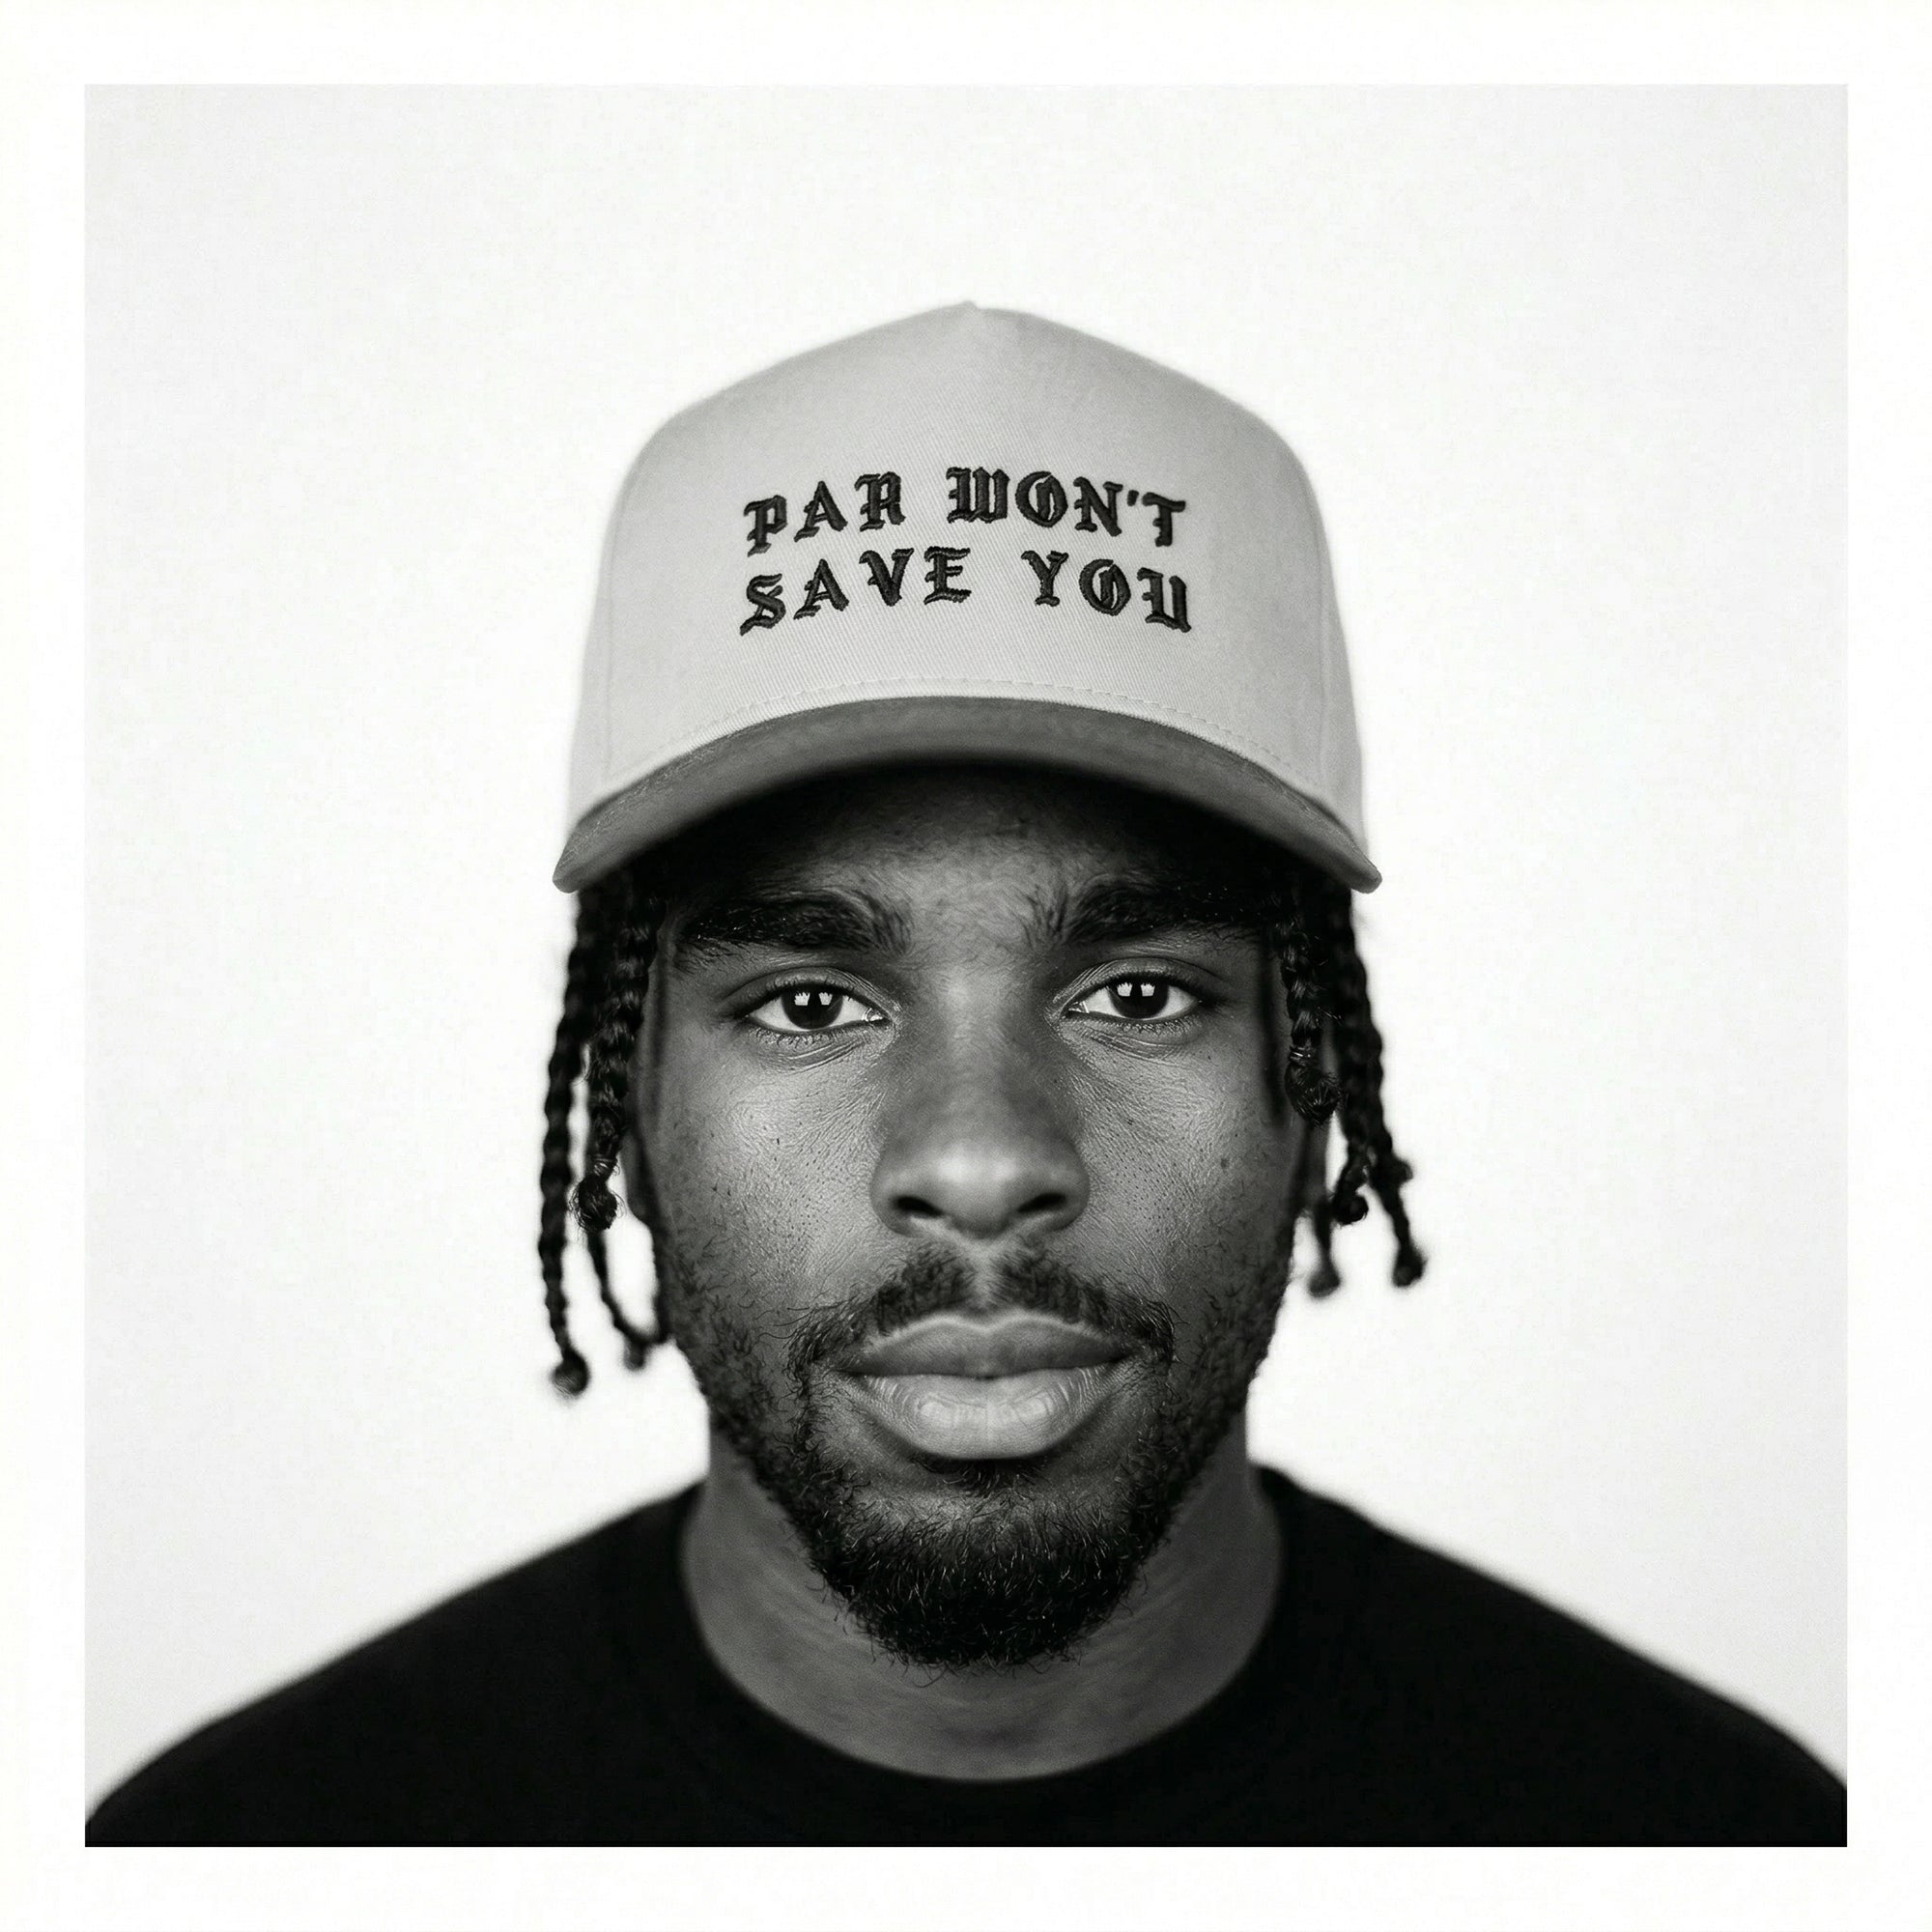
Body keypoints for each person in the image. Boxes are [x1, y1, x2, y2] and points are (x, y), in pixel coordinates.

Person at [89, 305, 1844, 1846]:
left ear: (1313, 1083)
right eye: (807, 1004)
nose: (984, 1158)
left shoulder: (1715, 1848)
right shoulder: (247, 1860)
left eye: (1138, 992)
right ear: (624, 1101)